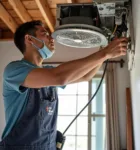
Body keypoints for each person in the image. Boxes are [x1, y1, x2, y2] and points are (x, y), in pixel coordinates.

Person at [0, 20, 128, 150]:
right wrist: (105, 53)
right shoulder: (14, 70)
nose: (52, 39)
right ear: (29, 39)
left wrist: (104, 50)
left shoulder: (48, 72)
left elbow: (86, 75)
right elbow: (59, 77)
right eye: (45, 34)